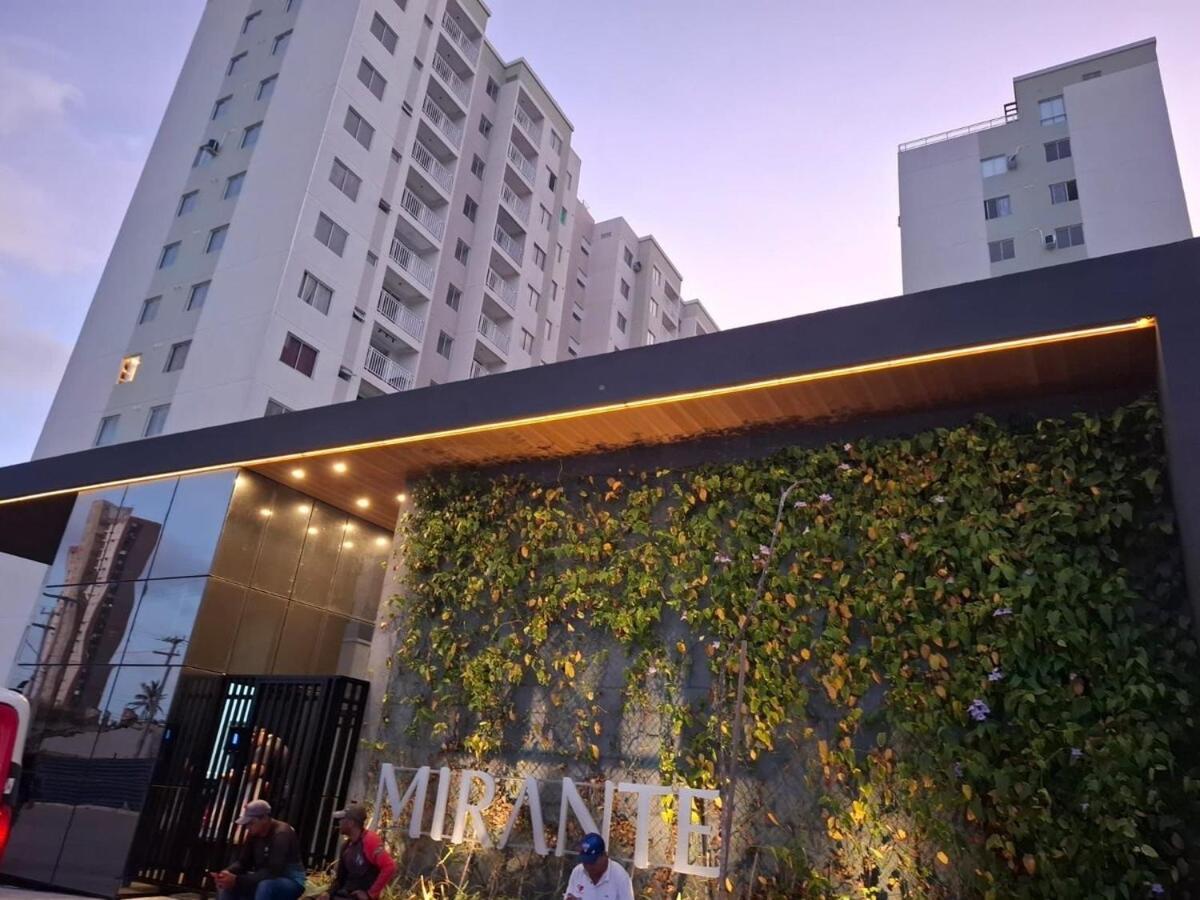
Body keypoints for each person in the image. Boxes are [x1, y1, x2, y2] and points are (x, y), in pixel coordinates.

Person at [212, 799, 307, 900]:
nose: (248, 827)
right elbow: (244, 862)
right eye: (247, 824)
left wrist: (237, 880)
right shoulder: (254, 834)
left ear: (264, 818)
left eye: (251, 823)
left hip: (290, 880)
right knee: (226, 884)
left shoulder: (281, 834)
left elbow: (273, 871)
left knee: (265, 886)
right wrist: (226, 873)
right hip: (265, 876)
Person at [317, 803, 397, 900]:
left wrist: (370, 894)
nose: (339, 822)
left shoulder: (370, 840)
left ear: (351, 823)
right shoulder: (346, 846)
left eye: (342, 819)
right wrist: (328, 893)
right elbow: (340, 879)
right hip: (345, 894)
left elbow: (389, 866)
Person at [564, 833, 633, 900]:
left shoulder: (620, 877)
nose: (588, 866)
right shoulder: (578, 872)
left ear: (604, 856)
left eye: (592, 861)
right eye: (585, 862)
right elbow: (569, 895)